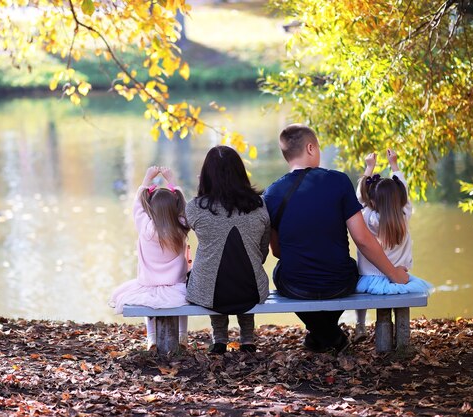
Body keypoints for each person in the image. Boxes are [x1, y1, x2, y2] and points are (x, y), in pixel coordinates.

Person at [263, 124, 409, 354]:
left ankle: (323, 334)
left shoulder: (271, 193)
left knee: (280, 273)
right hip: (339, 283)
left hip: (294, 285)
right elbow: (362, 239)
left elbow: (278, 252)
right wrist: (393, 274)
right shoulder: (339, 182)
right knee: (349, 269)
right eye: (318, 147)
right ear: (311, 148)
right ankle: (329, 335)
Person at [186, 146, 270, 354]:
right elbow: (263, 249)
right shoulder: (259, 205)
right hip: (250, 290)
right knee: (245, 268)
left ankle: (220, 338)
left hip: (210, 294)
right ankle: (247, 338)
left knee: (209, 274)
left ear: (206, 175)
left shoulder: (195, 207)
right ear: (241, 173)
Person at [354, 150, 433, 340]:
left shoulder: (369, 218)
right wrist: (394, 164)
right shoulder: (405, 215)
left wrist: (369, 167)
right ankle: (402, 337)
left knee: (358, 280)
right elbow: (403, 187)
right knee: (401, 293)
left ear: (372, 201)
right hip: (400, 277)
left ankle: (360, 324)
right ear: (399, 198)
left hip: (371, 281)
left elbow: (359, 197)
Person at [110, 166, 190, 351]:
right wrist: (173, 183)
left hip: (149, 285)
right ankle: (182, 336)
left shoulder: (145, 227)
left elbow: (137, 206)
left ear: (151, 210)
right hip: (176, 286)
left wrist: (147, 179)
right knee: (182, 300)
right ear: (175, 208)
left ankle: (151, 339)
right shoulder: (181, 225)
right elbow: (185, 206)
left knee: (149, 301)